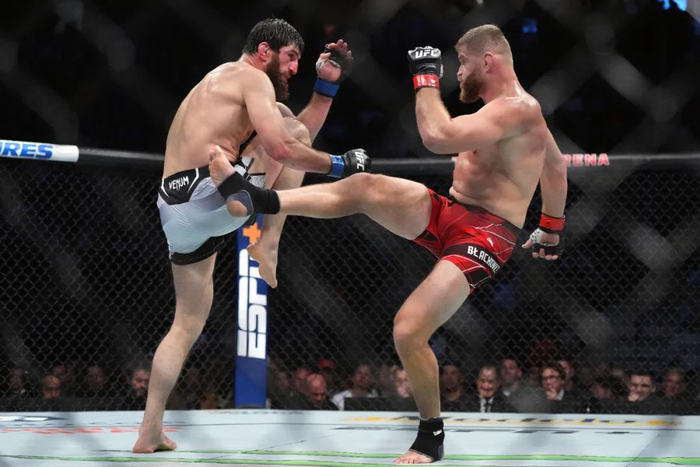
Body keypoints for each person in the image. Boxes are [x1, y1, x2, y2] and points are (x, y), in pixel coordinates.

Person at [210, 24, 567, 463]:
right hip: (450, 211)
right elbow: (555, 167)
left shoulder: (521, 109)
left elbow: (437, 136)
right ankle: (262, 201)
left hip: (487, 234)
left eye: (463, 62)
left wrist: (425, 78)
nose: (458, 72)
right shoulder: (514, 114)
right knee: (366, 187)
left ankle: (431, 435)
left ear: (487, 61)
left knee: (409, 329)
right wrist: (551, 228)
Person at [133, 18, 369, 453]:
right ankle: (264, 234)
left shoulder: (218, 83)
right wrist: (341, 165)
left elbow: (295, 143)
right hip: (207, 190)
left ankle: (149, 431)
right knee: (286, 133)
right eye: (291, 57)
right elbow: (284, 149)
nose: (295, 68)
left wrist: (326, 87)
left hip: (175, 208)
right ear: (264, 51)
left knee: (185, 324)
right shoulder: (251, 78)